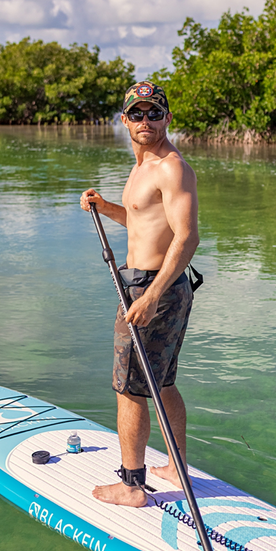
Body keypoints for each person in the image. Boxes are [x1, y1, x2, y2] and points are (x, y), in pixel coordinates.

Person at [80, 81, 199, 507]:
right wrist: (106, 206)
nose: (145, 120)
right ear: (125, 121)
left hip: (154, 288)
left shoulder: (171, 167)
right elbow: (144, 224)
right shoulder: (141, 167)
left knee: (129, 389)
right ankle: (176, 466)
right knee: (162, 381)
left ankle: (131, 485)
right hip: (158, 286)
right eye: (137, 114)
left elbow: (186, 238)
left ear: (168, 118)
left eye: (154, 113)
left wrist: (149, 297)